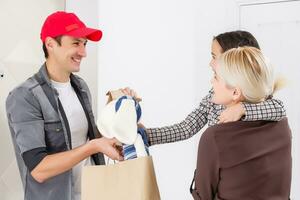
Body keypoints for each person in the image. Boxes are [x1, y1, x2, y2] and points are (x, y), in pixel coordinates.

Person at [6, 11, 122, 200]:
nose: (83, 52)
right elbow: (39, 169)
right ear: (50, 44)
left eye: (85, 44)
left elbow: (87, 138)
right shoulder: (24, 96)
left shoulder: (80, 87)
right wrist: (92, 147)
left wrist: (122, 114)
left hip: (92, 194)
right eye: (76, 43)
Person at [139, 30, 286, 145]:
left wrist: (242, 109)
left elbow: (278, 108)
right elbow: (187, 127)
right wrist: (146, 136)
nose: (210, 63)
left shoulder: (255, 95)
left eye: (214, 57)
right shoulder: (214, 95)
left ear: (233, 60)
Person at [190, 46, 291, 199]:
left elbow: (202, 196)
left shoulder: (215, 137)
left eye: (216, 77)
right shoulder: (282, 126)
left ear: (235, 92)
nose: (211, 81)